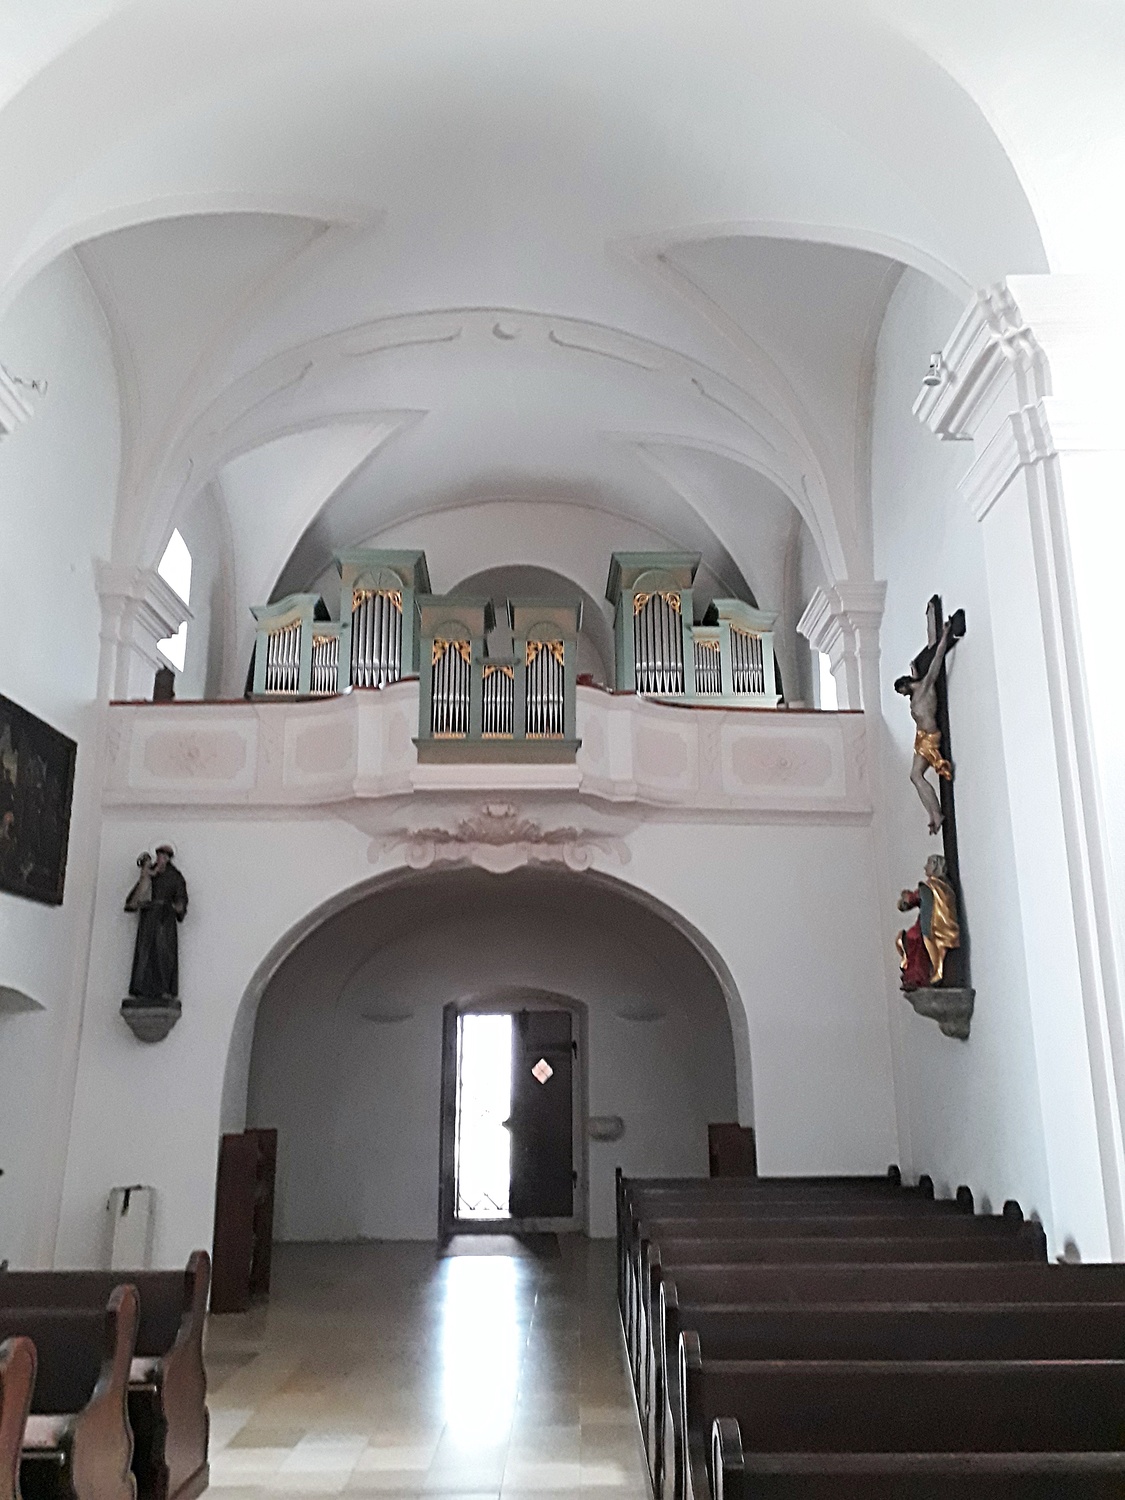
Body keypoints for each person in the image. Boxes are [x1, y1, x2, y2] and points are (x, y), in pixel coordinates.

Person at [894, 617, 957, 834]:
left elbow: (937, 658)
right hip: (921, 738)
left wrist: (945, 634)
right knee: (914, 776)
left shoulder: (926, 686)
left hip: (930, 737)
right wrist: (914, 669)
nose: (904, 695)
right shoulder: (915, 692)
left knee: (916, 776)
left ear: (906, 685)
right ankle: (933, 814)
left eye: (902, 691)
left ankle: (937, 814)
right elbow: (916, 677)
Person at [125, 844, 188, 1003]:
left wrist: (179, 906)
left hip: (165, 920)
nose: (161, 859)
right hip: (148, 918)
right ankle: (142, 989)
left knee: (163, 952)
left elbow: (181, 898)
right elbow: (138, 893)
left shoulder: (175, 877)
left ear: (168, 859)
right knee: (145, 952)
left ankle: (164, 989)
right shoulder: (149, 873)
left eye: (164, 856)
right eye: (159, 856)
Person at [896, 854, 961, 989]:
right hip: (944, 929)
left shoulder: (929, 886)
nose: (925, 867)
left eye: (929, 864)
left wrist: (906, 897)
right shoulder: (946, 887)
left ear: (936, 867)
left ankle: (917, 978)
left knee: (910, 939)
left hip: (930, 928)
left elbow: (911, 900)